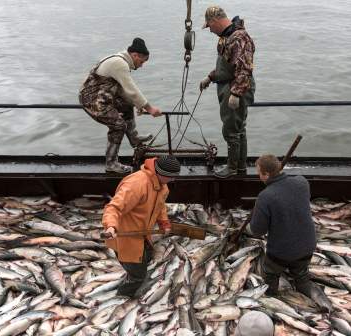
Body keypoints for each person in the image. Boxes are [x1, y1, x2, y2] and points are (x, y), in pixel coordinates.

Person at [249, 154, 333, 313]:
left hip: (281, 253)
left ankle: (272, 295)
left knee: (270, 275)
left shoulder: (265, 197)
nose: (259, 176)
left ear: (266, 174)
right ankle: (305, 288)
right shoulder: (302, 182)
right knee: (301, 274)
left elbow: (258, 231)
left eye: (259, 173)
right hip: (307, 247)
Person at [79, 37, 162, 174]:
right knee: (118, 125)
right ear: (135, 55)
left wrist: (136, 103)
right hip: (92, 100)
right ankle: (111, 164)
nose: (141, 65)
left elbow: (123, 90)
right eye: (141, 61)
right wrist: (150, 108)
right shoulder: (120, 64)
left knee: (127, 104)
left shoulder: (119, 60)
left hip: (102, 96)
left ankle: (134, 138)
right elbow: (131, 88)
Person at [102, 155, 181, 296]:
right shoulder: (136, 184)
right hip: (126, 238)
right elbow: (113, 208)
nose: (173, 180)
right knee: (137, 276)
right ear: (161, 173)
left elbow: (160, 206)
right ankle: (122, 297)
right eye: (171, 177)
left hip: (144, 234)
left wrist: (164, 222)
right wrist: (111, 226)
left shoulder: (162, 186)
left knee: (148, 256)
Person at [200, 6, 256, 178]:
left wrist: (236, 93)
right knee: (238, 129)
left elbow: (244, 68)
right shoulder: (227, 37)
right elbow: (226, 65)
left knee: (231, 130)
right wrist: (210, 77)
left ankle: (232, 169)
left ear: (214, 21)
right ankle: (240, 167)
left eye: (209, 26)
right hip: (227, 86)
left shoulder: (239, 37)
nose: (209, 30)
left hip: (235, 88)